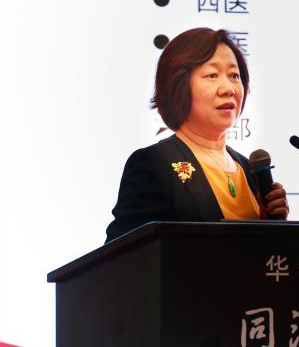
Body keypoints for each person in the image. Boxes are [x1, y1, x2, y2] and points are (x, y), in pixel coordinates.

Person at [105, 28, 289, 242]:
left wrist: (271, 226)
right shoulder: (153, 164)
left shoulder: (249, 169)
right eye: (212, 75)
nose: (228, 89)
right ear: (179, 85)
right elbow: (124, 252)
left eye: (234, 76)